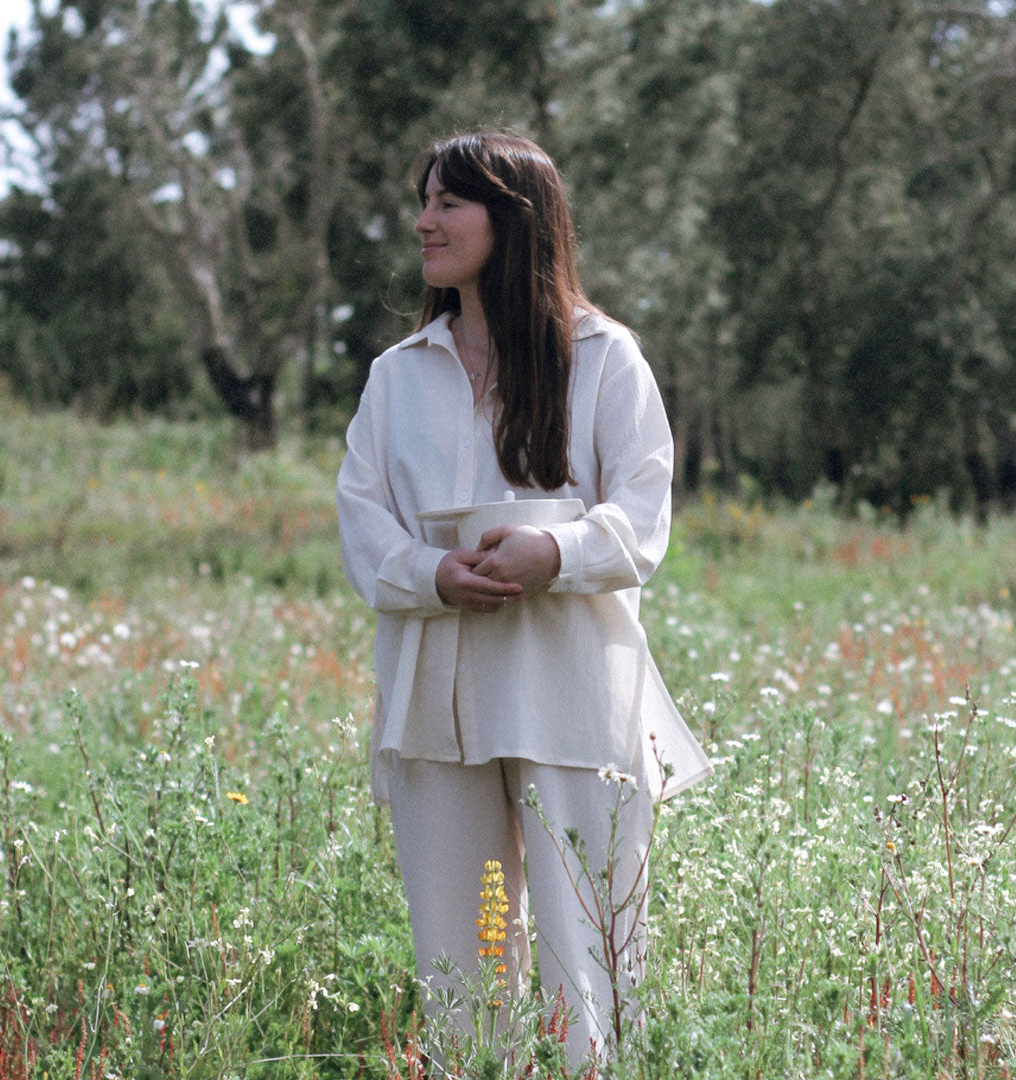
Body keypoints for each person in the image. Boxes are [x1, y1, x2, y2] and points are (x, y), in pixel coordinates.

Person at [336, 130, 711, 1062]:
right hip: (436, 700)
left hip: (573, 694)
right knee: (463, 964)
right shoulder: (396, 377)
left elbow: (643, 513)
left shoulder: (605, 356)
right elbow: (363, 519)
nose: (424, 221)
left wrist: (555, 550)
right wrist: (432, 575)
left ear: (514, 217)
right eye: (423, 201)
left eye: (448, 202)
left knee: (589, 956)